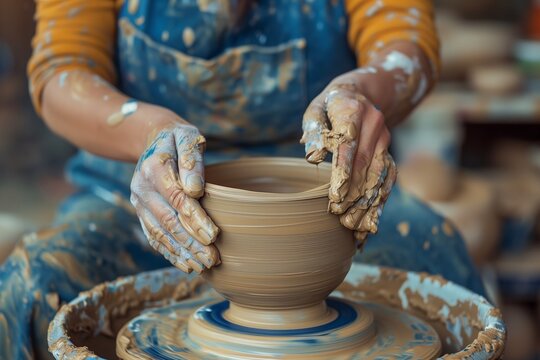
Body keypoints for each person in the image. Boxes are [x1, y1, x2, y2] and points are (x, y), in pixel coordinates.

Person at [0, 0, 484, 358]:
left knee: (434, 255)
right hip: (144, 181)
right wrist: (149, 131)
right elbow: (62, 70)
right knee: (31, 286)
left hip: (326, 186)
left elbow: (404, 40)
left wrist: (361, 90)